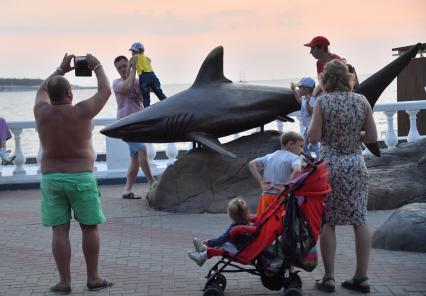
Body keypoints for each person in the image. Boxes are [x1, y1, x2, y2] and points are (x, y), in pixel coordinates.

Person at [33, 53, 114, 294]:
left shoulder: (41, 111)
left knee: (59, 230)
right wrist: (96, 65)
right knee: (89, 227)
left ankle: (65, 282)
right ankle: (93, 278)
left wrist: (60, 68)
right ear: (70, 94)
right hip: (80, 177)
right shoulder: (81, 112)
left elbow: (41, 89)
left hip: (51, 179)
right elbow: (105, 91)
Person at [308, 60, 377, 293]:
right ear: (348, 78)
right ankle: (362, 277)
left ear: (326, 80)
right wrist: (353, 133)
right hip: (356, 165)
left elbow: (314, 137)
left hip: (331, 167)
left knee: (328, 221)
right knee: (360, 219)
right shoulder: (361, 100)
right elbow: (371, 138)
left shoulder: (323, 102)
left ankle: (329, 278)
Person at [113, 55, 158, 199]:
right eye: (119, 67)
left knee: (135, 158)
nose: (122, 69)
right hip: (125, 126)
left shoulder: (138, 82)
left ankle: (127, 190)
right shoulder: (116, 83)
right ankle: (152, 182)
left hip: (138, 125)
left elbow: (154, 88)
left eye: (124, 66)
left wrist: (147, 69)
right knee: (142, 149)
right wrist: (132, 68)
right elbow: (126, 87)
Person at [249, 131, 304, 215]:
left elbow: (251, 164)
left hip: (265, 197)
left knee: (263, 224)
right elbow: (297, 170)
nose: (302, 150)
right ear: (291, 144)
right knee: (278, 226)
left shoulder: (270, 156)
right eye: (301, 146)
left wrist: (261, 182)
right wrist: (287, 186)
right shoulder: (294, 158)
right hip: (280, 198)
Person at [187, 197, 251, 267]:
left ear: (231, 214)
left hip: (238, 252)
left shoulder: (234, 227)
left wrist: (209, 242)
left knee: (221, 245)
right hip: (242, 249)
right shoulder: (245, 223)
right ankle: (204, 249)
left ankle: (201, 257)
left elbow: (221, 240)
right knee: (221, 243)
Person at [129, 42, 167, 108]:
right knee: (159, 93)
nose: (131, 53)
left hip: (144, 77)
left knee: (146, 96)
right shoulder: (147, 58)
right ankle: (167, 103)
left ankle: (147, 109)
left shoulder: (134, 57)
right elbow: (149, 62)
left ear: (135, 51)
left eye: (132, 52)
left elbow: (128, 67)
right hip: (153, 76)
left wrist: (128, 75)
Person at [290, 77, 320, 158]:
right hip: (308, 127)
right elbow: (299, 101)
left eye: (300, 88)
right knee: (304, 145)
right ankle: (311, 160)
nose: (298, 90)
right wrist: (293, 91)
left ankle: (321, 160)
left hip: (313, 128)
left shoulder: (313, 99)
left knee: (316, 145)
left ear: (307, 89)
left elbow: (312, 113)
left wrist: (307, 104)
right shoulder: (304, 98)